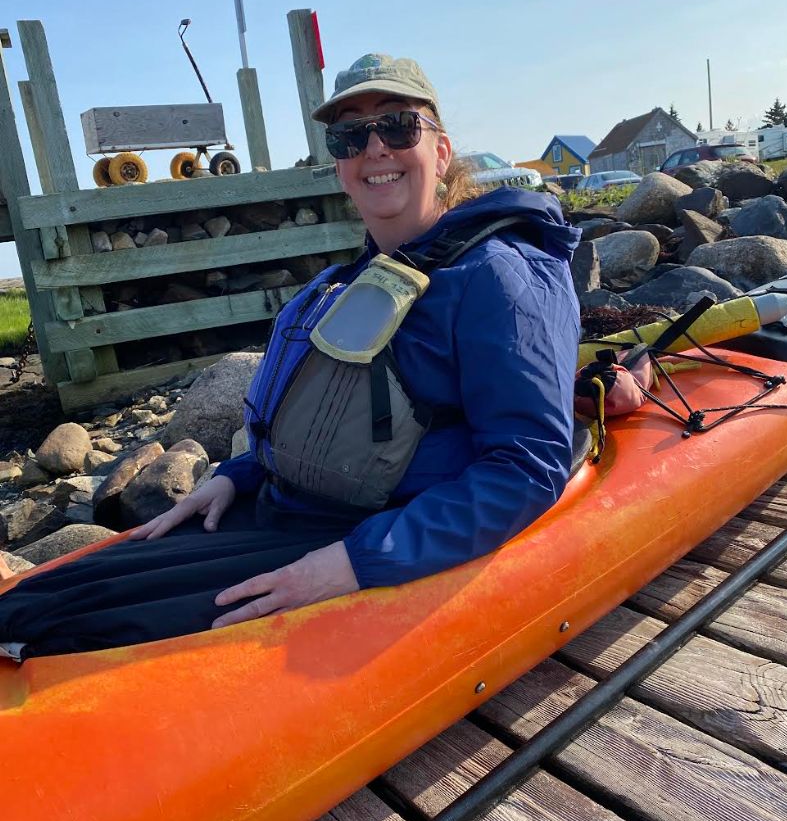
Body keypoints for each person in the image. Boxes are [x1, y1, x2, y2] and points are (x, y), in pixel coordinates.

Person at [0, 53, 580, 660]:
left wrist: (354, 563)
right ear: (338, 164)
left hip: (365, 537)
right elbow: (321, 418)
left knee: (66, 638)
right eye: (349, 135)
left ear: (439, 151)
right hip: (281, 513)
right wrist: (236, 474)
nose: (374, 147)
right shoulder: (345, 283)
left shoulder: (498, 277)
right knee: (37, 601)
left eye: (398, 126)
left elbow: (525, 466)